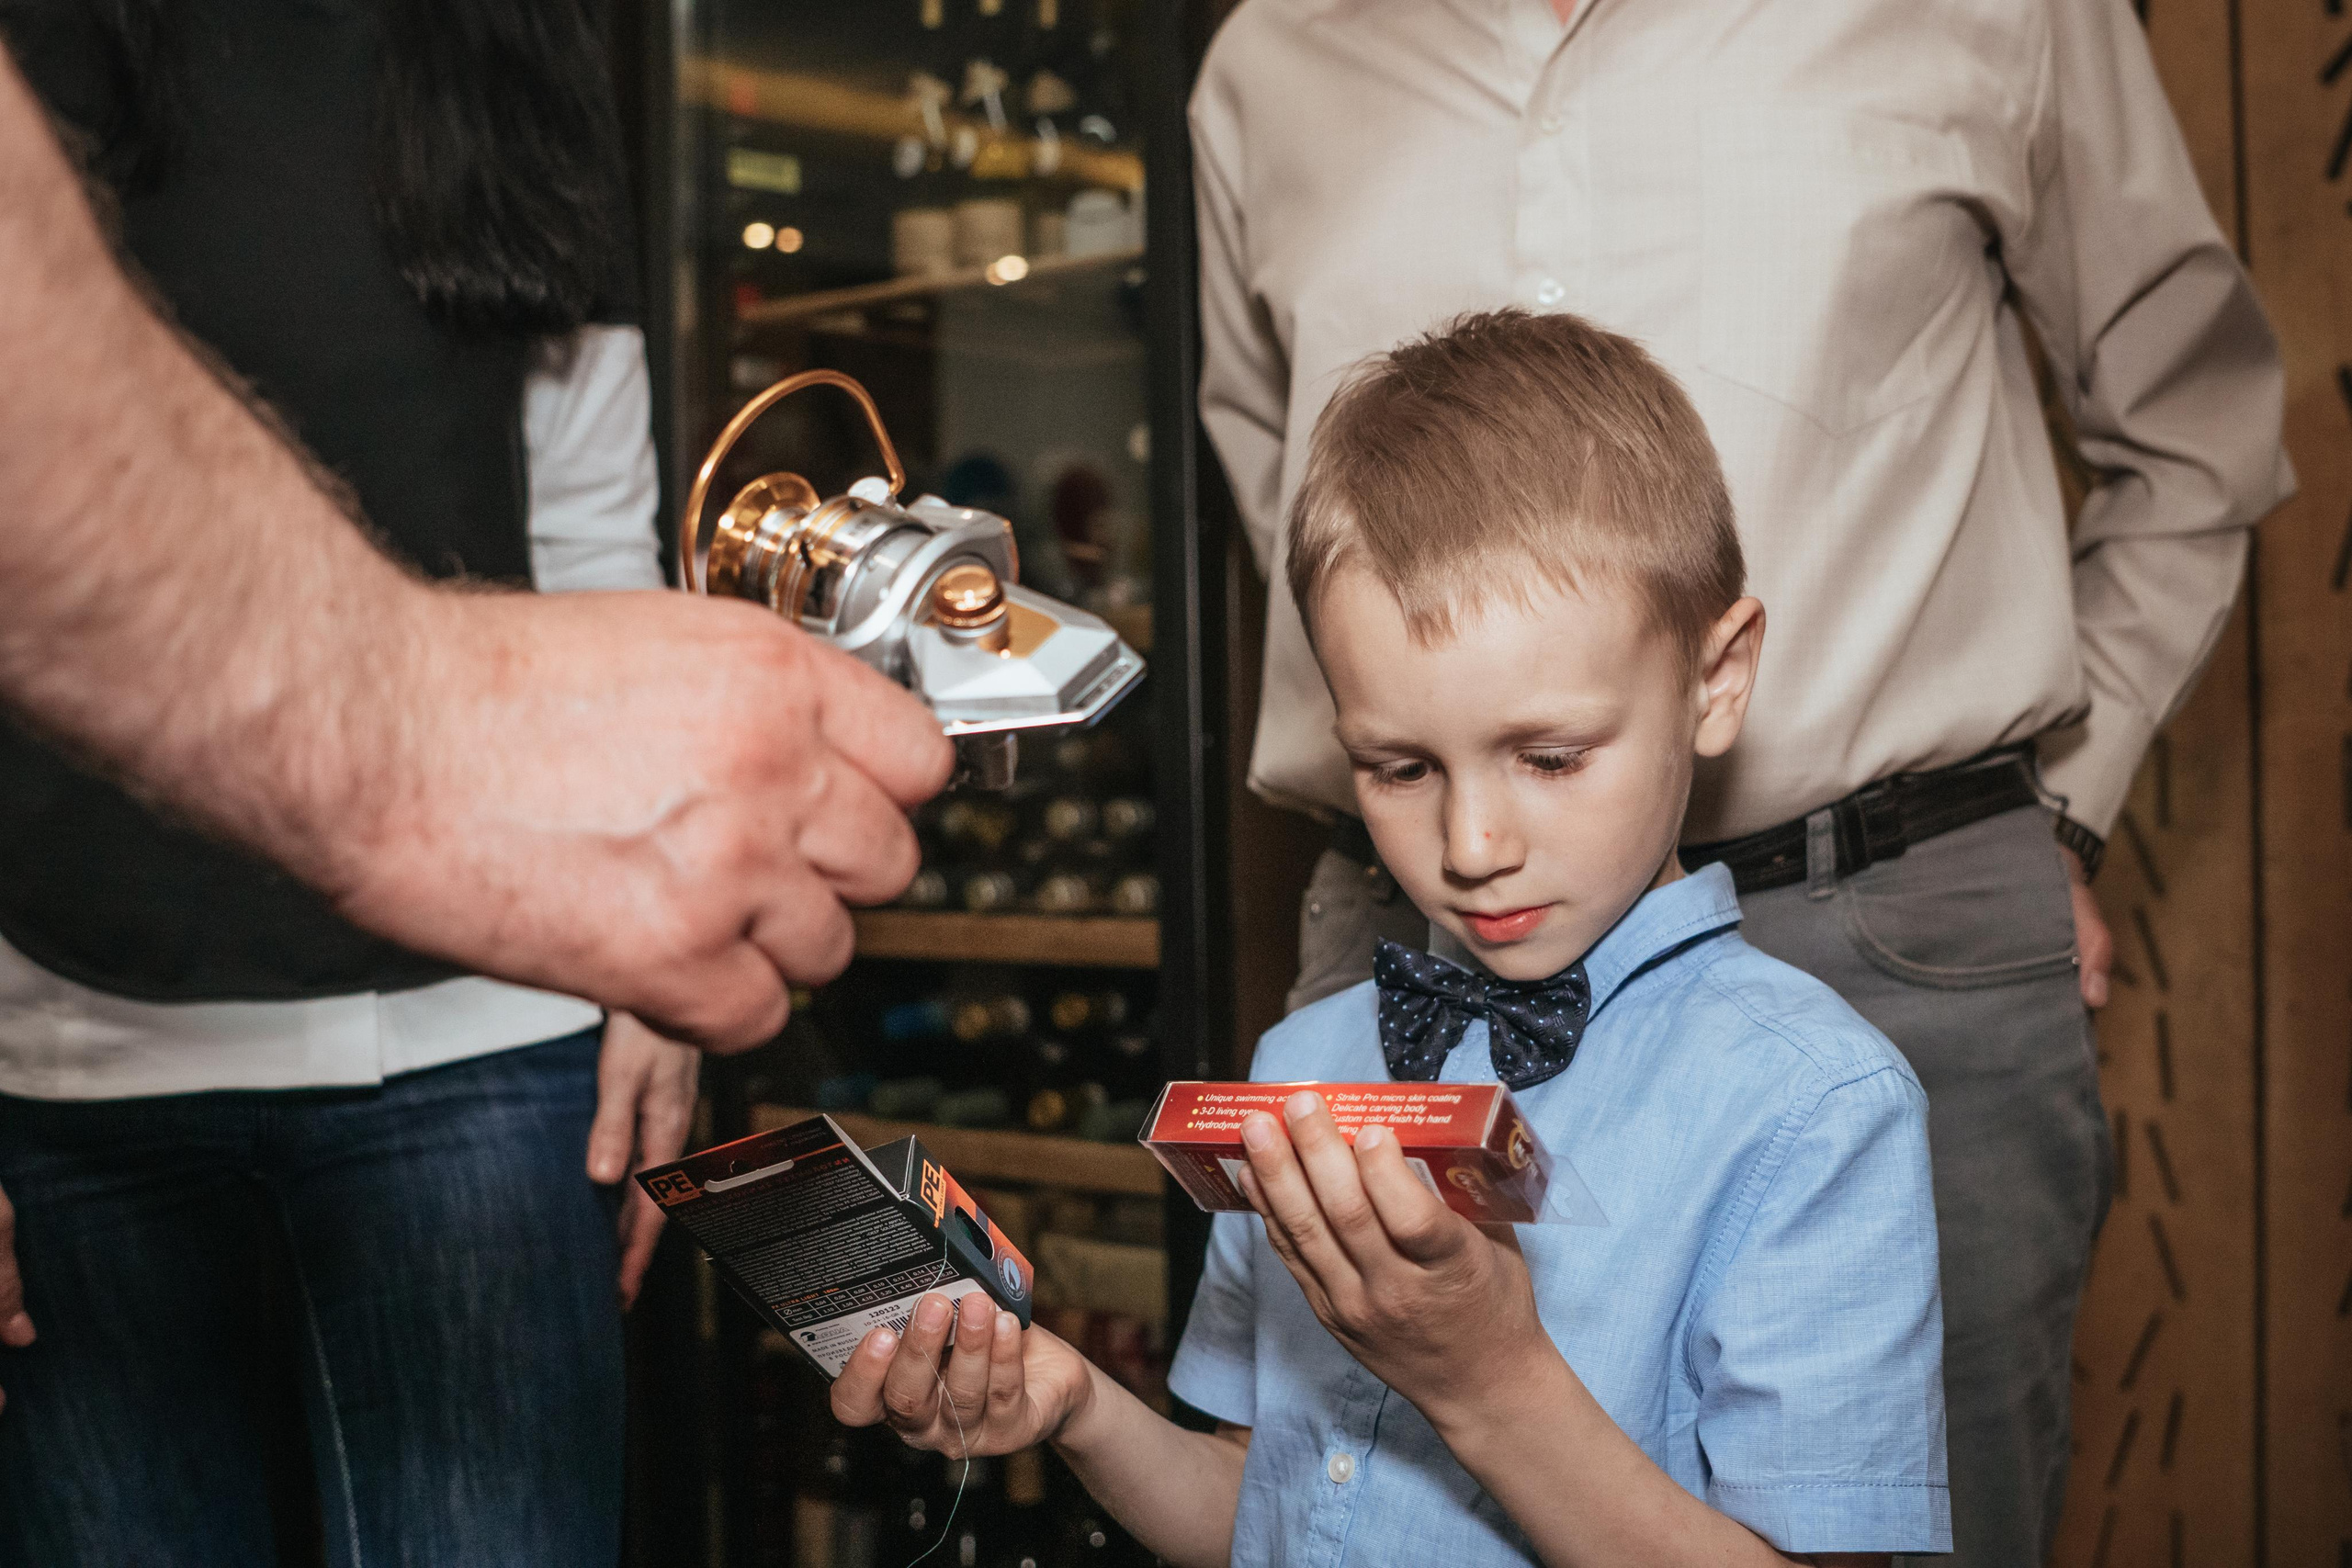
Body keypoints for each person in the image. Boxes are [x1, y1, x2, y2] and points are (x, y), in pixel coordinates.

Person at [1189, 3, 2293, 1561]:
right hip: (1404, 958)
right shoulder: (1264, 60)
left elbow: (2199, 428)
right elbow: (1280, 502)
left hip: (1892, 917)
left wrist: (2059, 793)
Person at [0, 5, 936, 1562]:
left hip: (481, 1057)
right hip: (62, 1046)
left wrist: (643, 979)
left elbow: (584, 533)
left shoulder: (504, 30)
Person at [833, 310, 1949, 1567]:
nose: (1473, 843)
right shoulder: (1305, 1061)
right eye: (1401, 767)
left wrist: (1489, 1380)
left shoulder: (1811, 1109)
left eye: (1549, 756)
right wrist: (1077, 1405)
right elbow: (1269, 1508)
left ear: (1716, 677)